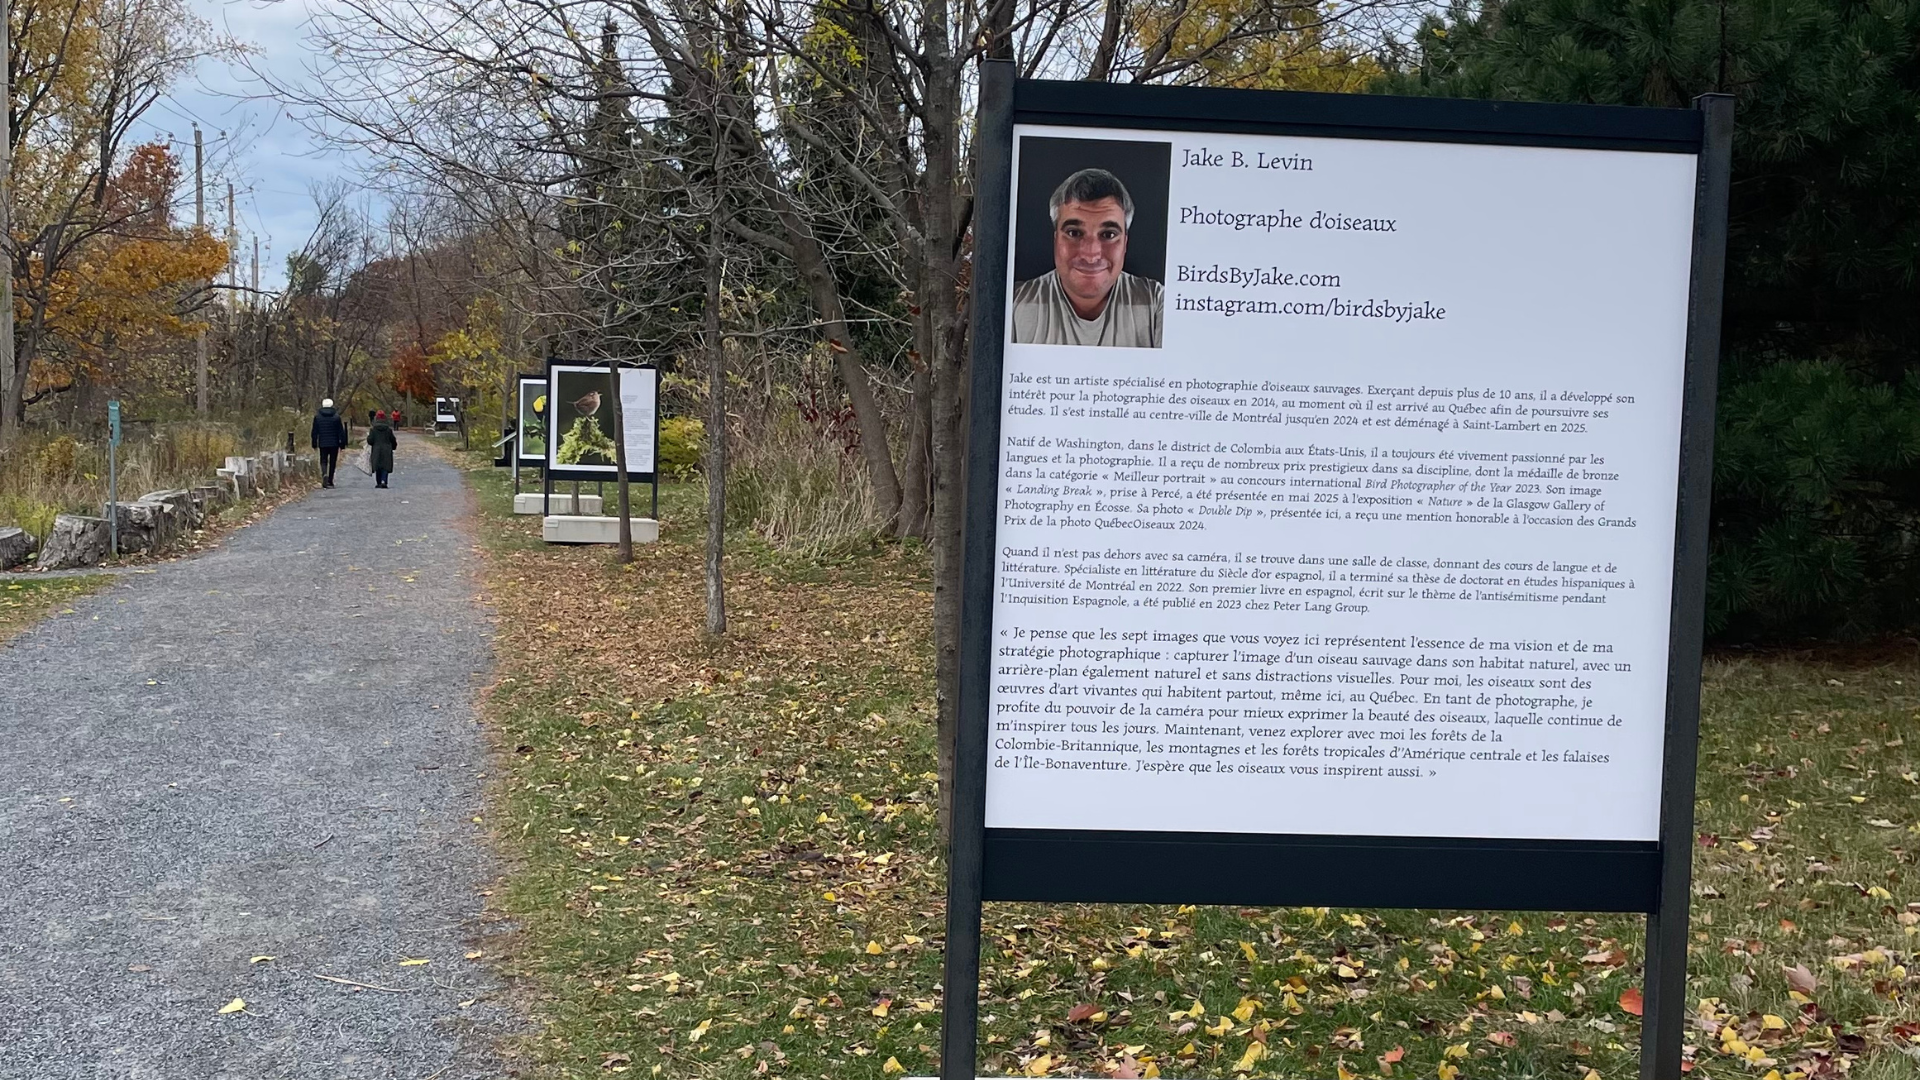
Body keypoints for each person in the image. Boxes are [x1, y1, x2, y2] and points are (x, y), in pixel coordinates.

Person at [1012, 167, 1163, 349]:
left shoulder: (1157, 305)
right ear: (1056, 240)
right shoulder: (1013, 304)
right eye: (1074, 233)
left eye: (1108, 235)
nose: (1091, 255)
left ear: (1125, 243)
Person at [311, 398, 348, 488]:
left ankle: (324, 474)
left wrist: (314, 443)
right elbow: (341, 432)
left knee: (323, 460)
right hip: (334, 443)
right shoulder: (336, 417)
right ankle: (330, 480)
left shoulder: (318, 417)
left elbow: (314, 432)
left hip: (323, 442)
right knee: (332, 462)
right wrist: (342, 444)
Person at [367, 410, 398, 489]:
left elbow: (370, 440)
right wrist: (393, 447)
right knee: (385, 466)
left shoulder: (373, 430)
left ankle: (378, 482)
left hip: (377, 449)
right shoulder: (388, 430)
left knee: (378, 466)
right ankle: (384, 481)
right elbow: (392, 440)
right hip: (387, 449)